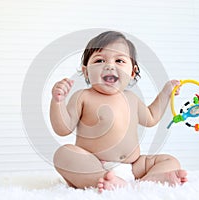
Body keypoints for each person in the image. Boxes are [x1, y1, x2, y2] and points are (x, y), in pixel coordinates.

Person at [50, 31, 187, 192]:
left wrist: (166, 93)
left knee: (169, 160)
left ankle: (147, 182)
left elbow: (151, 118)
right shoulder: (83, 97)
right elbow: (63, 129)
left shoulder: (132, 99)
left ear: (132, 72)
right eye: (100, 60)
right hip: (94, 164)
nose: (109, 65)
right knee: (63, 154)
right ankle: (101, 179)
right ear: (86, 71)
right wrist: (57, 101)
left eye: (119, 60)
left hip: (133, 166)